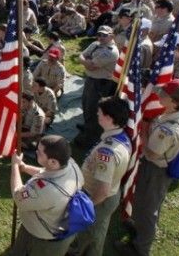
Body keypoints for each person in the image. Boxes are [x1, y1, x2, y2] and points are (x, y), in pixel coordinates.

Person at [115, 79, 179, 256]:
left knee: (148, 208)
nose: (159, 95)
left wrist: (142, 131)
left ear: (175, 102)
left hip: (155, 169)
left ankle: (140, 248)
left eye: (164, 95)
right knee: (145, 200)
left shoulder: (168, 130)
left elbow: (151, 153)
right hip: (157, 167)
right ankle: (137, 225)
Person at [70, 96, 131, 256]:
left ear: (110, 118)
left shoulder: (107, 153)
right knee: (98, 231)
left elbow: (102, 191)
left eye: (100, 112)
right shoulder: (122, 137)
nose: (97, 114)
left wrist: (87, 206)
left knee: (89, 233)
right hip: (111, 194)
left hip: (98, 198)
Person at [10, 135, 85, 256]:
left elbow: (18, 196)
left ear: (53, 161)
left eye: (39, 152)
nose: (36, 152)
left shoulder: (46, 191)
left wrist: (14, 167)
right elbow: (46, 173)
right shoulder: (72, 165)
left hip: (40, 241)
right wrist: (24, 167)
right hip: (56, 228)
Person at [75, 25, 119, 148]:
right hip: (91, 79)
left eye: (104, 35)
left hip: (101, 83)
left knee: (94, 109)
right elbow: (81, 56)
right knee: (85, 103)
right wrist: (86, 61)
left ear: (112, 36)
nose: (101, 37)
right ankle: (87, 126)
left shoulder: (111, 52)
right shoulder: (95, 44)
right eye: (99, 34)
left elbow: (91, 66)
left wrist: (86, 61)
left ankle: (90, 138)